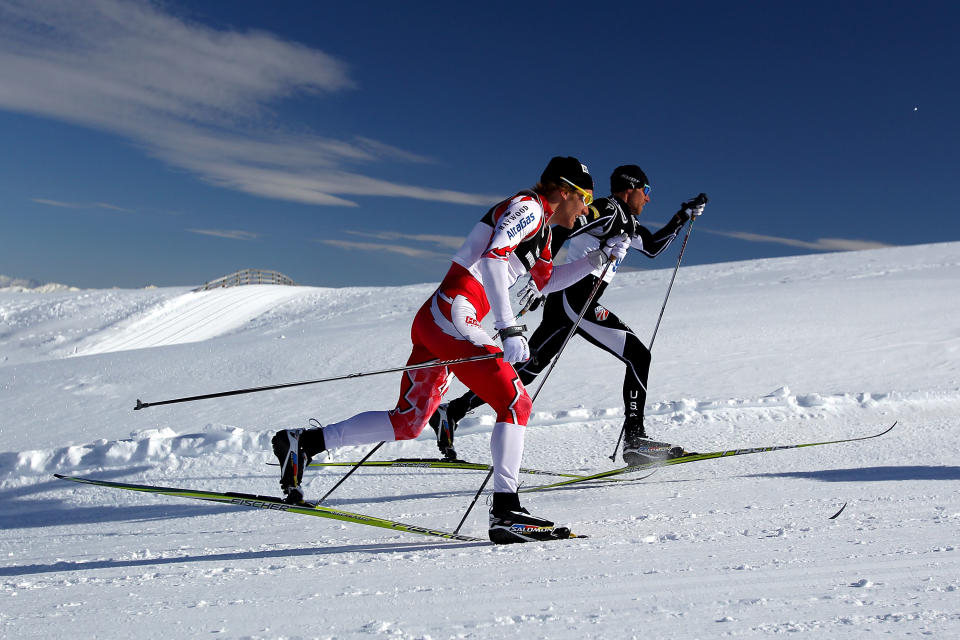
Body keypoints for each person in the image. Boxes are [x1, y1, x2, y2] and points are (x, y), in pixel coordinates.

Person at [271, 156, 630, 543]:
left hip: (440, 318)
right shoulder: (528, 208)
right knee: (515, 401)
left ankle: (305, 443)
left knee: (409, 422)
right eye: (585, 196)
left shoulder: (543, 232)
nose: (587, 207)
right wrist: (508, 328)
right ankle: (507, 511)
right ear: (564, 192)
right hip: (454, 312)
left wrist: (598, 259)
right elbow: (493, 258)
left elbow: (546, 281)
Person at [429, 165, 706, 465]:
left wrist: (682, 216)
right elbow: (565, 227)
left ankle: (452, 411)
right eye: (647, 191)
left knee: (527, 370)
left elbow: (652, 248)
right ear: (631, 188)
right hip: (577, 299)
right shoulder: (609, 210)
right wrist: (541, 277)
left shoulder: (628, 222)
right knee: (639, 355)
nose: (648, 199)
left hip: (569, 303)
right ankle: (635, 439)